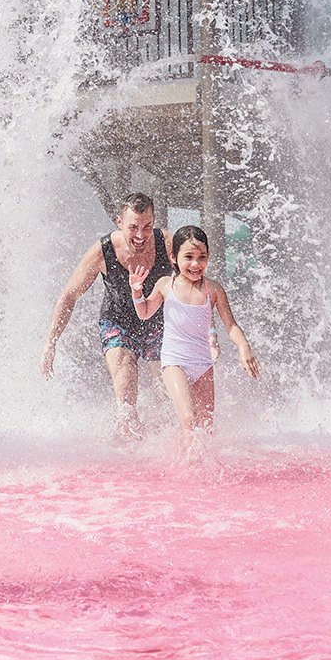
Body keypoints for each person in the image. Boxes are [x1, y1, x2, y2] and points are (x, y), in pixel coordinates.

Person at [40, 194, 172, 442]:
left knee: (165, 387)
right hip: (118, 322)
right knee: (125, 375)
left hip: (158, 321)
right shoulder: (103, 251)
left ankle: (162, 442)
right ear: (119, 222)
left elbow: (194, 280)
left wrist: (207, 332)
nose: (141, 236)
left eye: (147, 226)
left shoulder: (166, 243)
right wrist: (51, 343)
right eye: (133, 227)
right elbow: (69, 296)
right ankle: (126, 441)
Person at [130, 223, 257, 462]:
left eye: (202, 257)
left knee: (206, 427)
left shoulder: (214, 289)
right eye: (188, 257)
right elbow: (145, 312)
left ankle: (194, 464)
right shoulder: (166, 285)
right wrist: (136, 292)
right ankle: (188, 470)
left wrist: (244, 347)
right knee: (189, 419)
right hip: (174, 362)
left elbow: (230, 325)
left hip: (203, 364)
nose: (196, 264)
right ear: (174, 258)